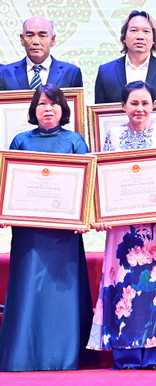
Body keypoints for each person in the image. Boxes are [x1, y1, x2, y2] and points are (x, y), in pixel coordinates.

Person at [87, 81, 156, 369]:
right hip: (122, 223)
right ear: (123, 106)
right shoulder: (113, 136)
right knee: (124, 283)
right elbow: (104, 177)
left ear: (153, 106)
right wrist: (100, 213)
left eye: (145, 103)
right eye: (134, 103)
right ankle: (126, 354)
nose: (139, 109)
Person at [0, 84, 93, 371]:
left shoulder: (75, 141)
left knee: (60, 293)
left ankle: (62, 357)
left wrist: (85, 217)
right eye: (41, 104)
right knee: (28, 289)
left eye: (53, 104)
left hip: (63, 235)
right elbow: (10, 183)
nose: (48, 109)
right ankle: (23, 357)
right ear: (34, 109)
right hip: (29, 232)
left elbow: (87, 188)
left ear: (64, 109)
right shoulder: (20, 140)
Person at [94, 10, 156, 104]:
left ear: (154, 39)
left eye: (146, 31)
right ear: (124, 37)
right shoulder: (105, 72)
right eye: (134, 30)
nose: (140, 36)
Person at [0, 16, 83, 90]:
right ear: (22, 39)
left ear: (53, 40)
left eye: (42, 36)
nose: (36, 42)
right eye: (30, 35)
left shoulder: (71, 73)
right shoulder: (4, 73)